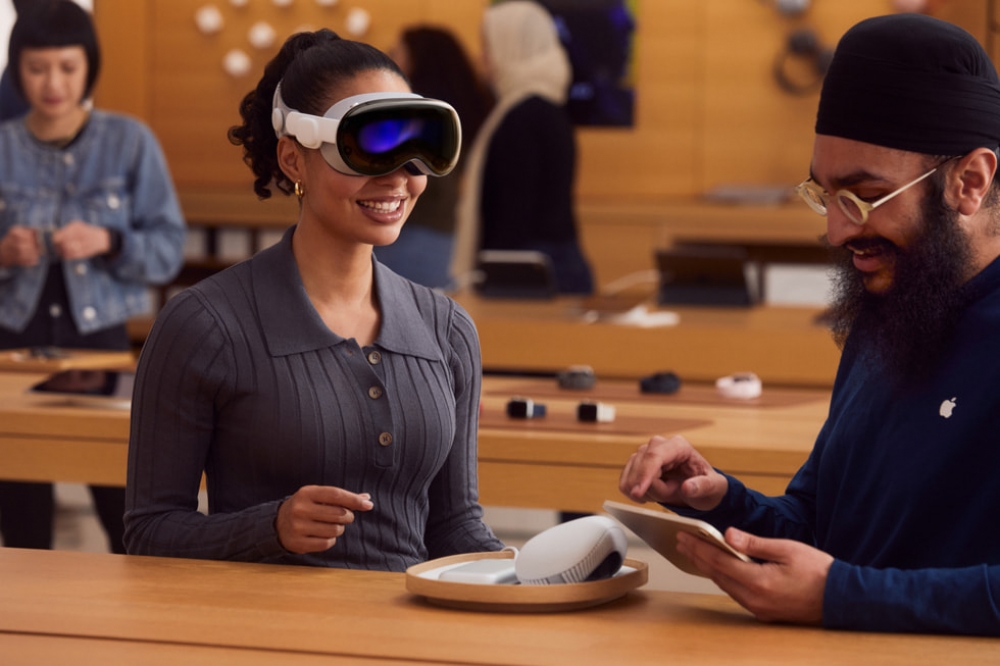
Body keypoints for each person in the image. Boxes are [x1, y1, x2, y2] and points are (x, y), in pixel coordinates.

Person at [619, 13, 1000, 636]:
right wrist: (720, 501)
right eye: (824, 195)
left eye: (862, 196)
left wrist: (843, 596)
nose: (836, 230)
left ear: (970, 182)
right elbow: (821, 529)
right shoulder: (890, 312)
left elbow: (840, 583)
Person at [123, 28, 505, 569]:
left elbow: (454, 524)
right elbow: (150, 532)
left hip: (408, 641)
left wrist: (522, 577)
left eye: (418, 149)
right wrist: (270, 528)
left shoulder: (447, 329)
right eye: (370, 146)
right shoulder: (202, 325)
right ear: (293, 160)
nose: (400, 178)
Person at [0, 0, 185, 553]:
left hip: (101, 347)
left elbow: (168, 250)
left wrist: (111, 240)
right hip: (13, 346)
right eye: (36, 68)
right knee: (22, 519)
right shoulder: (2, 145)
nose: (52, 83)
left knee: (126, 512)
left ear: (89, 67)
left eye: (67, 67)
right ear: (16, 68)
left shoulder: (129, 141)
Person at [453, 0, 594, 294]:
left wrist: (492, 277)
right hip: (551, 264)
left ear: (512, 47)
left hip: (530, 274)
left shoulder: (524, 114)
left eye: (488, 47)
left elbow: (514, 211)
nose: (482, 59)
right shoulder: (544, 105)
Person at [375, 26, 492, 290]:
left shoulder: (416, 118)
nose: (388, 60)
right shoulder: (465, 111)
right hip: (449, 238)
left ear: (419, 60)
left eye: (396, 53)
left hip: (409, 234)